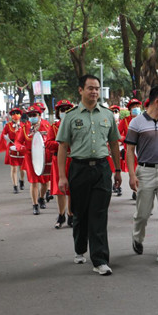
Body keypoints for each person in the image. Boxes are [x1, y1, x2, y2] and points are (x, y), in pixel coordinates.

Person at [56, 74, 122, 276]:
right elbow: (62, 147)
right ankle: (79, 247)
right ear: (81, 90)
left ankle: (100, 259)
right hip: (79, 169)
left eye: (97, 88)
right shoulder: (71, 116)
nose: (94, 92)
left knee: (99, 214)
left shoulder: (107, 115)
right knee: (80, 213)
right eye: (90, 88)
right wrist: (61, 176)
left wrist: (117, 170)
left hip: (102, 169)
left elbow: (113, 144)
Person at [125, 85, 158, 265]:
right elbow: (130, 150)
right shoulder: (137, 123)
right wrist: (132, 175)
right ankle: (137, 237)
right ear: (157, 101)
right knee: (143, 213)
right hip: (145, 172)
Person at [15, 105, 52, 215]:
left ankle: (41, 197)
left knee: (45, 182)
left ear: (39, 115)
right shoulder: (25, 127)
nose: (32, 117)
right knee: (34, 182)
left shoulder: (46, 126)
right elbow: (18, 141)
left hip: (44, 157)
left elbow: (52, 139)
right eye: (30, 115)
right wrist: (20, 147)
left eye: (34, 115)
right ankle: (35, 205)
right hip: (30, 156)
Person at [46, 100, 75, 229]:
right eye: (62, 110)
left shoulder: (76, 126)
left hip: (73, 160)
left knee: (72, 189)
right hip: (58, 161)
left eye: (67, 109)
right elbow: (48, 143)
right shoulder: (53, 127)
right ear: (58, 112)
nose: (65, 112)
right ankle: (61, 214)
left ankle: (71, 215)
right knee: (60, 191)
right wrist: (60, 144)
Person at [0, 108, 26, 194]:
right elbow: (3, 134)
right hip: (12, 147)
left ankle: (22, 180)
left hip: (21, 147)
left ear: (20, 115)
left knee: (22, 168)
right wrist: (5, 137)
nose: (15, 115)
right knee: (14, 168)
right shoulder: (8, 125)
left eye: (17, 113)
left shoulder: (24, 125)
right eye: (13, 114)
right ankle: (15, 186)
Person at [118, 99, 141, 199]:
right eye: (133, 106)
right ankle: (136, 190)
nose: (136, 108)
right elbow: (117, 134)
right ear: (130, 109)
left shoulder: (145, 119)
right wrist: (125, 139)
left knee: (142, 172)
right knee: (135, 171)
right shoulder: (125, 121)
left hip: (142, 150)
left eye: (137, 106)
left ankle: (140, 192)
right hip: (131, 151)